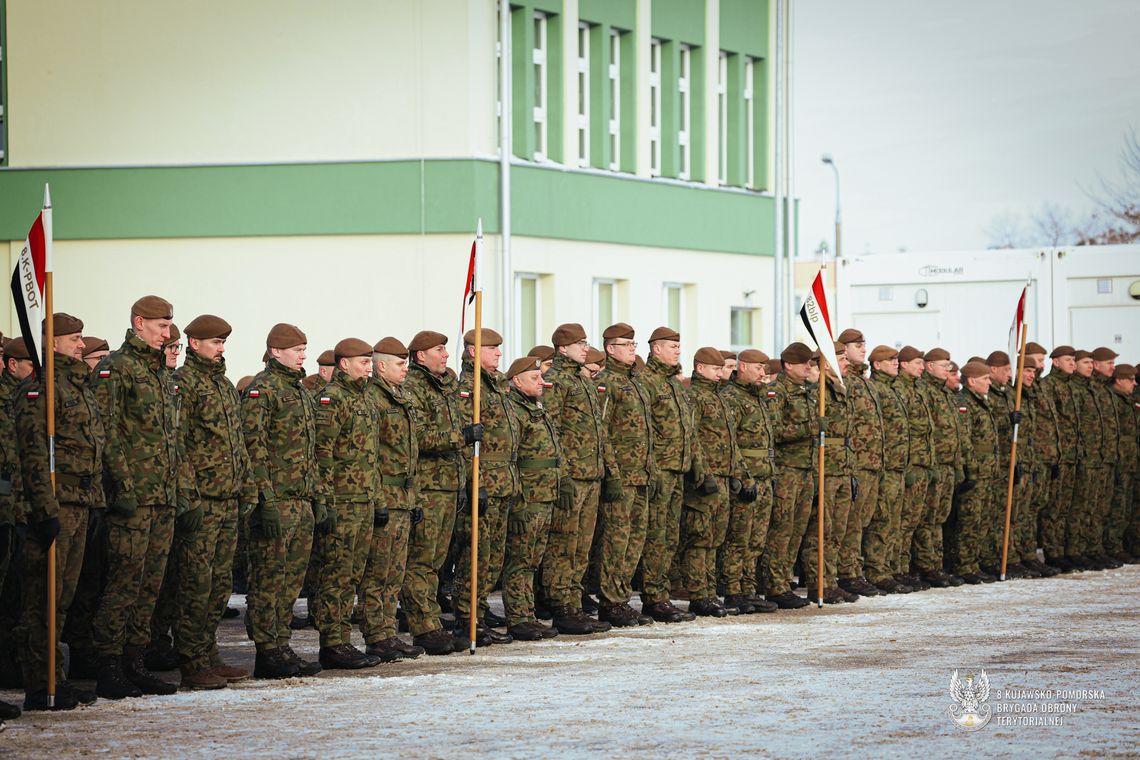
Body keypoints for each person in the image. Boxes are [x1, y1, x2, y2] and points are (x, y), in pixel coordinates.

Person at [90, 295, 180, 700]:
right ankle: (108, 664)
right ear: (139, 323)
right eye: (161, 326)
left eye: (169, 327)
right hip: (133, 497)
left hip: (161, 496)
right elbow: (105, 432)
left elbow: (170, 437)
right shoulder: (117, 368)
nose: (166, 334)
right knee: (123, 582)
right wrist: (121, 487)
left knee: (149, 585)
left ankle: (134, 661)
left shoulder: (158, 371)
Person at [14, 314, 102, 710]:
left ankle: (56, 676)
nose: (81, 345)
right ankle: (40, 682)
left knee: (63, 597)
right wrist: (43, 507)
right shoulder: (41, 388)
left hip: (79, 502)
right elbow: (32, 453)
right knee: (43, 599)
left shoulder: (77, 386)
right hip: (54, 503)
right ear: (52, 343)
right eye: (74, 339)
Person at [170, 315, 255, 689]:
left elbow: (237, 443)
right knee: (196, 583)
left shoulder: (222, 385)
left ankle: (209, 654)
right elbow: (178, 445)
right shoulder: (184, 384)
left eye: (223, 343)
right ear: (194, 343)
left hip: (228, 498)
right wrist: (188, 496)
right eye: (215, 342)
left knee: (220, 584)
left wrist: (246, 487)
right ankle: (191, 660)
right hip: (203, 499)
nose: (221, 349)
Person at [242, 323, 326, 679]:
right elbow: (254, 447)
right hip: (277, 501)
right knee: (269, 579)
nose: (303, 355)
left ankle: (281, 643)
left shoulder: (299, 391)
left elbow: (309, 450)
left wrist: (317, 496)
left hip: (301, 500)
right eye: (297, 350)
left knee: (291, 580)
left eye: (304, 349)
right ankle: (267, 650)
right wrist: (265, 500)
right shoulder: (263, 389)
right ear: (276, 351)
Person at [401, 331, 478, 656]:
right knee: (421, 561)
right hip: (428, 487)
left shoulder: (447, 387)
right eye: (439, 349)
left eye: (446, 349)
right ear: (421, 356)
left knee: (436, 562)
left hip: (449, 485)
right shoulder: (413, 388)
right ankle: (424, 627)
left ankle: (432, 621)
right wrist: (461, 436)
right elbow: (419, 436)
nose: (446, 354)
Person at [312, 338, 383, 670]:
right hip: (341, 501)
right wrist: (325, 499)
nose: (369, 368)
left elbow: (371, 455)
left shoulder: (364, 398)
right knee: (336, 574)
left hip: (363, 499)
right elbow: (322, 452)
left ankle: (342, 639)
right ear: (344, 364)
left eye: (370, 362)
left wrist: (376, 496)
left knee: (352, 574)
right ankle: (332, 642)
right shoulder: (332, 399)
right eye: (363, 362)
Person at [541, 323, 613, 635]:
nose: (586, 348)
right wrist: (563, 474)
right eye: (580, 344)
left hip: (591, 474)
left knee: (582, 546)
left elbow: (598, 431)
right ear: (563, 348)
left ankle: (574, 601)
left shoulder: (582, 380)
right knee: (564, 543)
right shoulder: (556, 380)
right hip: (572, 476)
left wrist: (609, 471)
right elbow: (551, 430)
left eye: (586, 343)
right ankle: (561, 606)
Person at [359, 337, 424, 662]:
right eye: (400, 364)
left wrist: (415, 498)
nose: (405, 369)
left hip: (404, 496)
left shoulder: (402, 397)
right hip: (385, 493)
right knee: (377, 571)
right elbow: (370, 455)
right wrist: (378, 499)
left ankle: (387, 632)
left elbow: (410, 453)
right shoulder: (372, 399)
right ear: (381, 366)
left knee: (395, 572)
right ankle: (376, 635)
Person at [454, 328, 518, 647]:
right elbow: (467, 442)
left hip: (504, 479)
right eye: (492, 349)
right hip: (485, 479)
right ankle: (467, 618)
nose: (498, 354)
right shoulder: (469, 387)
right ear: (473, 352)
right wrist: (474, 482)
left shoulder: (498, 384)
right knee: (476, 555)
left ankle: (479, 613)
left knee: (493, 556)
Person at [594, 323, 656, 627]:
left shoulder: (636, 382)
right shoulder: (606, 382)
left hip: (641, 473)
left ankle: (621, 597)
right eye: (626, 345)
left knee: (635, 539)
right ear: (610, 349)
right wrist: (612, 474)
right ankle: (610, 601)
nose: (632, 349)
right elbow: (602, 431)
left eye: (634, 344)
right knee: (616, 540)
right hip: (621, 475)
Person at [679, 347, 749, 615]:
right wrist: (704, 473)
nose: (721, 373)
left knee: (715, 538)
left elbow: (731, 442)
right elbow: (691, 437)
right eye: (715, 369)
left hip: (723, 476)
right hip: (705, 478)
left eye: (722, 369)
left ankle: (709, 592)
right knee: (700, 537)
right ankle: (699, 594)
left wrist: (738, 473)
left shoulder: (719, 397)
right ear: (700, 368)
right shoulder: (694, 396)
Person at [637, 327, 700, 623]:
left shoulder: (673, 383)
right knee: (655, 536)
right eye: (672, 346)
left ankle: (661, 593)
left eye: (678, 346)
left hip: (678, 469)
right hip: (659, 470)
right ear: (656, 349)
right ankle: (653, 597)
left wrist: (697, 467)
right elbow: (644, 431)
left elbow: (687, 430)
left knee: (669, 537)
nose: (677, 351)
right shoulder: (647, 381)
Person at [501, 356, 562, 640]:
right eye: (534, 378)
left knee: (533, 559)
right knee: (520, 559)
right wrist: (518, 501)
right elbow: (512, 458)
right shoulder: (514, 411)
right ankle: (518, 617)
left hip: (545, 493)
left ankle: (528, 613)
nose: (541, 382)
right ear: (517, 381)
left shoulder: (537, 408)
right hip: (528, 495)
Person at [718, 348, 778, 614]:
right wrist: (742, 477)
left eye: (764, 368)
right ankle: (733, 590)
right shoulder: (732, 398)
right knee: (739, 537)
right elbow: (731, 443)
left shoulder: (758, 397)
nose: (762, 373)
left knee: (756, 539)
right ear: (742, 367)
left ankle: (748, 589)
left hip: (764, 475)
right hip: (747, 478)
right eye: (758, 368)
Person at [801, 344, 856, 605]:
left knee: (837, 531)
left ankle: (831, 581)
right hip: (824, 468)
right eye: (841, 358)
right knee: (821, 530)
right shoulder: (817, 393)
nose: (847, 363)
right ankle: (818, 583)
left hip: (842, 467)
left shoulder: (840, 390)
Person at [763, 342, 816, 609]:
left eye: (810, 362)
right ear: (788, 366)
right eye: (803, 362)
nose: (809, 366)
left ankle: (785, 580)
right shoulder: (777, 392)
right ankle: (774, 585)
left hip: (805, 469)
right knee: (782, 530)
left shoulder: (806, 392)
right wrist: (808, 428)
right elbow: (773, 430)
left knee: (796, 530)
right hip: (786, 470)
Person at [835, 329, 884, 598]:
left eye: (864, 344)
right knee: (851, 522)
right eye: (857, 345)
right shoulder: (846, 381)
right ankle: (848, 573)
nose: (863, 349)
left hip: (871, 461)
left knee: (862, 521)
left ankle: (855, 569)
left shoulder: (865, 382)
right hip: (856, 462)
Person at [863, 345, 913, 594]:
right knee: (881, 520)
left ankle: (890, 568)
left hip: (898, 466)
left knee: (894, 520)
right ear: (877, 364)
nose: (896, 363)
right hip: (885, 466)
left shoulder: (893, 389)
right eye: (890, 360)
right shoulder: (877, 389)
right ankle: (876, 571)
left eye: (896, 359)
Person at [914, 348, 965, 588]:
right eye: (944, 365)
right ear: (930, 366)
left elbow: (954, 432)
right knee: (928, 517)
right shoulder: (925, 390)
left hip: (947, 464)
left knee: (939, 518)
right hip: (933, 464)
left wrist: (958, 464)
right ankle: (926, 566)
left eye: (949, 365)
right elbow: (927, 431)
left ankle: (937, 564)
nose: (948, 369)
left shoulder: (945, 392)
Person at [950, 361, 999, 584]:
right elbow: (965, 440)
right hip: (976, 470)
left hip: (987, 470)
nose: (989, 382)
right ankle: (964, 564)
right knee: (970, 519)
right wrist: (970, 470)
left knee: (983, 518)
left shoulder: (982, 401)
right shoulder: (964, 403)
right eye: (985, 379)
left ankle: (976, 562)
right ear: (971, 381)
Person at [894, 346, 934, 591]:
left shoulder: (918, 388)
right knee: (903, 520)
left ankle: (904, 567)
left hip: (922, 462)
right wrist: (907, 465)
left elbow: (928, 431)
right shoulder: (900, 388)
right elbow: (903, 432)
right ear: (904, 364)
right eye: (917, 363)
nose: (922, 367)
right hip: (909, 463)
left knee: (913, 520)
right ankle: (897, 568)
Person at [1107, 364, 1137, 564]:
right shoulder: (1113, 400)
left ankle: (1121, 545)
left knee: (1125, 506)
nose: (1134, 383)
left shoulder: (1129, 401)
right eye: (1130, 379)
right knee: (1116, 506)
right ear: (1119, 380)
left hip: (1130, 459)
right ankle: (1112, 546)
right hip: (1117, 459)